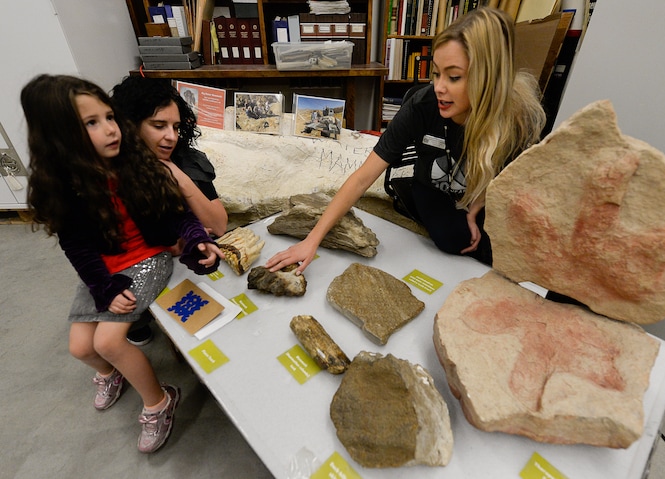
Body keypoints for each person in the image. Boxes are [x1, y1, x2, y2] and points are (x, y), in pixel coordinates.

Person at [21, 74, 224, 454]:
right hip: (104, 269)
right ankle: (110, 375)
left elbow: (176, 217)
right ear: (58, 136)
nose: (111, 130)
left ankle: (160, 402)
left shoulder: (136, 165)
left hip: (147, 258)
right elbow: (77, 247)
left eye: (110, 117)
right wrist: (103, 286)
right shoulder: (66, 186)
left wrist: (196, 239)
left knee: (109, 340)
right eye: (92, 123)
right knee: (81, 347)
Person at [266, 7, 545, 273]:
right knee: (452, 240)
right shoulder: (422, 105)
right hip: (431, 185)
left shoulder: (519, 118)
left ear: (488, 79)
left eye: (454, 76)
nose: (439, 87)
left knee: (506, 249)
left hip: (481, 189)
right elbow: (363, 177)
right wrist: (311, 241)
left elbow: (511, 181)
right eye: (436, 73)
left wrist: (478, 205)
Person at [111, 76, 228, 345]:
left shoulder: (184, 160)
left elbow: (219, 225)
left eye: (175, 127)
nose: (170, 137)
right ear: (129, 125)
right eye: (158, 125)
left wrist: (178, 175)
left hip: (187, 255)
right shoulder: (109, 169)